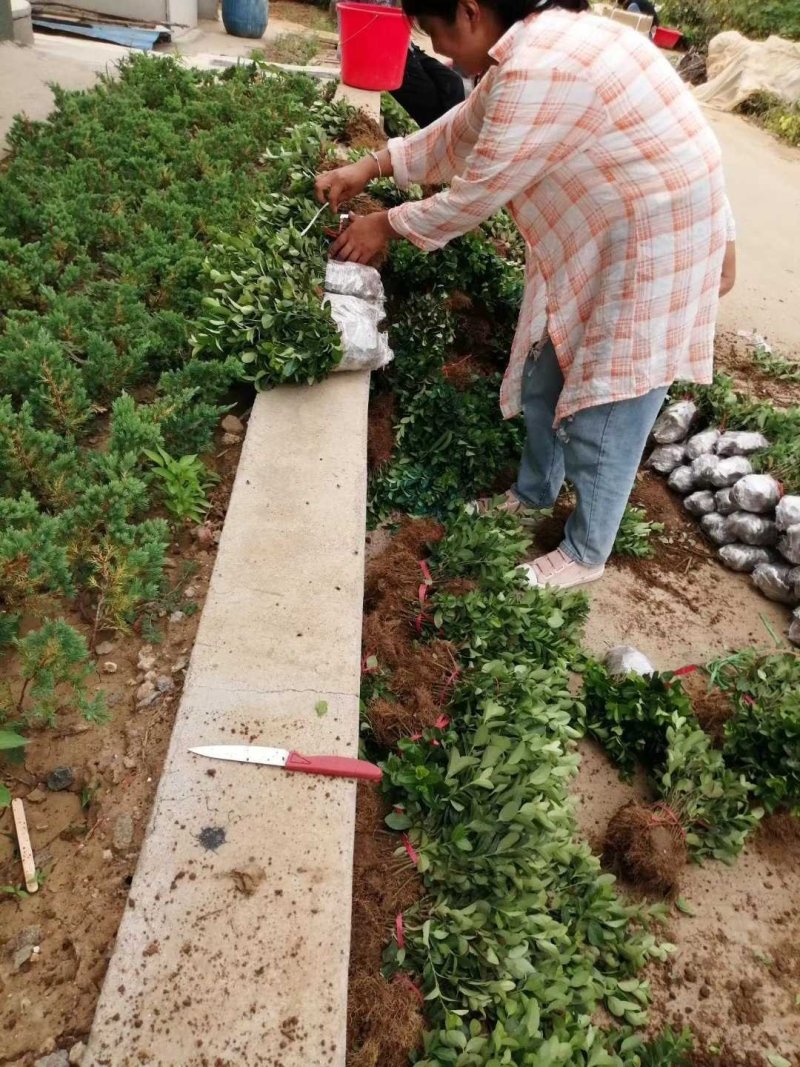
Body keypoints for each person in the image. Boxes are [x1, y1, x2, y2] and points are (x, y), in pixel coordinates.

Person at [316, 0, 737, 591]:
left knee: (608, 408)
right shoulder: (533, 48)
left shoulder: (538, 67)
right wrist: (373, 165)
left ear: (468, 11)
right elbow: (465, 129)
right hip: (615, 230)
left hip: (658, 244)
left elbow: (475, 193)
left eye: (436, 34)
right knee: (547, 371)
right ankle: (535, 493)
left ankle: (586, 551)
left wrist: (382, 224)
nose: (439, 53)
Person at [391, 43, 467, 127]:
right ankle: (443, 135)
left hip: (406, 46)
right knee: (433, 103)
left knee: (454, 82)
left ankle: (452, 133)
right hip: (393, 50)